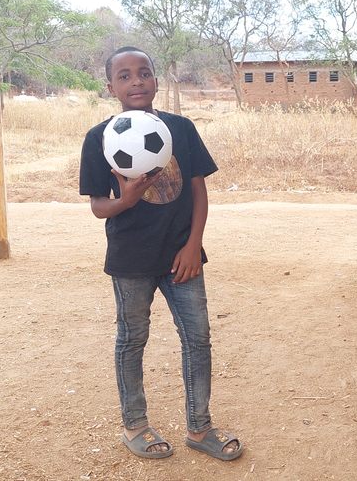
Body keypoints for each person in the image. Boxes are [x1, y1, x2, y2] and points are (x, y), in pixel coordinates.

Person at [78, 46, 242, 461]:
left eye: (144, 72)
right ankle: (134, 425)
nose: (136, 81)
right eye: (125, 75)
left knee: (198, 338)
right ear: (110, 86)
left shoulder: (180, 129)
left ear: (155, 79)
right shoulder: (99, 138)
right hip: (131, 258)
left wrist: (193, 245)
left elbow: (199, 192)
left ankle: (200, 427)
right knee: (132, 339)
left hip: (182, 257)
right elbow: (98, 206)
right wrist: (126, 200)